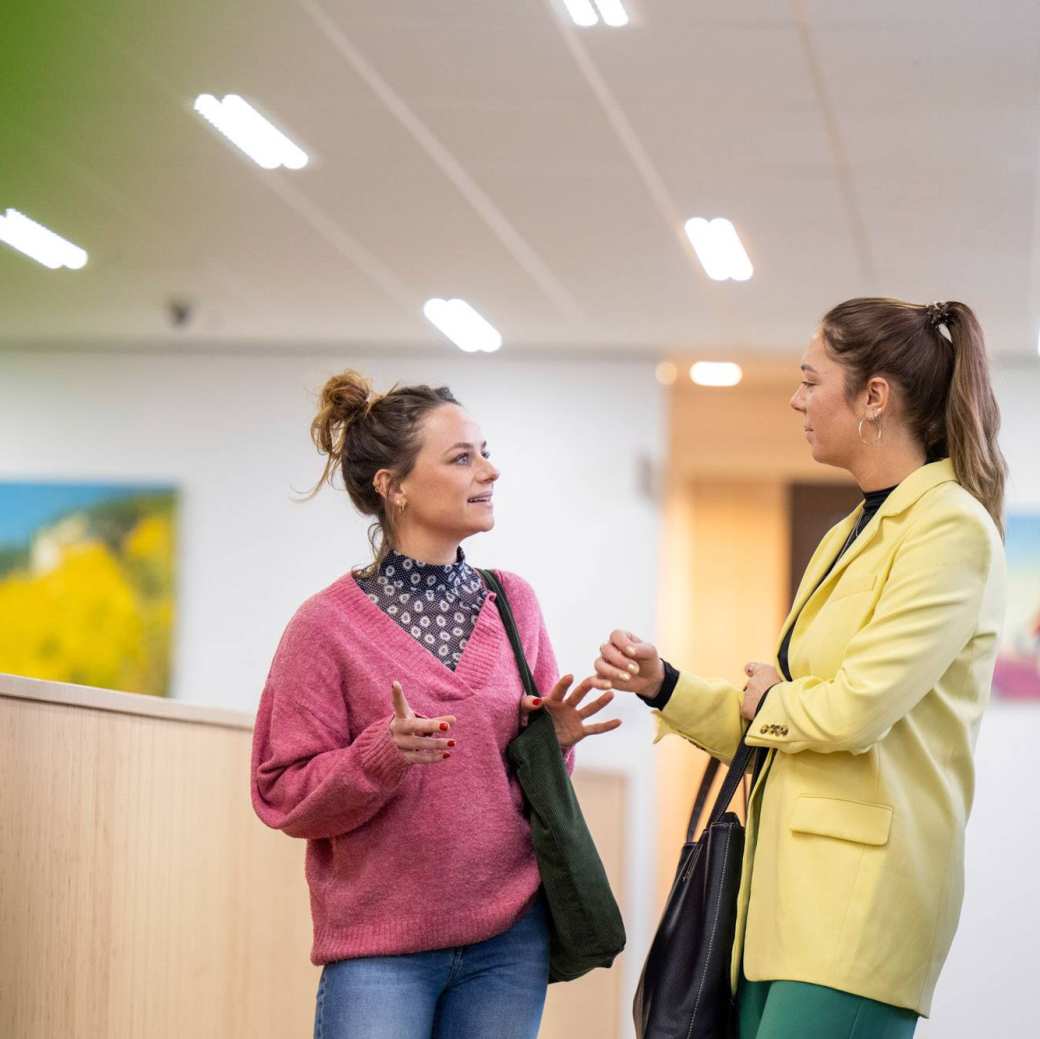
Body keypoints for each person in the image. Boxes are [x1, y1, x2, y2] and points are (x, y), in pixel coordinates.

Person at [594, 299, 1007, 1037]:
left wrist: (778, 699)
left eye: (811, 380)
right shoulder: (851, 529)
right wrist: (666, 684)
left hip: (860, 909)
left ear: (873, 397)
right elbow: (778, 715)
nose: (796, 399)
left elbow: (855, 709)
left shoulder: (950, 527)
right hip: (778, 909)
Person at [250, 371, 620, 1039]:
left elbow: (523, 781)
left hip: (509, 941)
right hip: (378, 952)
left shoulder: (515, 602)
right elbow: (282, 792)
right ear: (394, 487)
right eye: (462, 457)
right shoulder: (323, 626)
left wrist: (553, 740)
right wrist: (381, 754)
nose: (490, 469)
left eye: (484, 450)